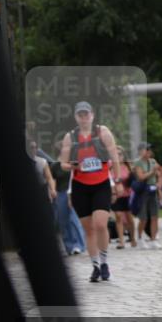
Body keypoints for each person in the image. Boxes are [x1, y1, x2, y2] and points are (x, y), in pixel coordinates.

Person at [58, 101, 123, 282]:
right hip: (80, 186)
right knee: (89, 229)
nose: (84, 117)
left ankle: (104, 262)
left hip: (101, 184)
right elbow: (63, 163)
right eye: (80, 115)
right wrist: (72, 165)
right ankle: (95, 266)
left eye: (86, 114)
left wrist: (117, 181)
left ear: (92, 115)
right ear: (76, 117)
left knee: (101, 224)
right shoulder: (70, 137)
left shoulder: (103, 132)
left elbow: (114, 157)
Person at [50, 140, 86, 255]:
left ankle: (79, 245)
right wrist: (52, 192)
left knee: (74, 219)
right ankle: (69, 246)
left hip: (74, 192)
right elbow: (53, 180)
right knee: (63, 221)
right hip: (60, 194)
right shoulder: (54, 165)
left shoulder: (73, 163)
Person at [133, 142, 161, 249]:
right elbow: (140, 177)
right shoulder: (137, 163)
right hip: (143, 191)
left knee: (154, 216)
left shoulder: (153, 161)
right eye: (146, 149)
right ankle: (140, 238)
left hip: (153, 190)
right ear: (140, 151)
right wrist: (152, 171)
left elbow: (159, 173)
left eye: (149, 150)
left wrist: (158, 180)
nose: (149, 152)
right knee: (143, 218)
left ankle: (153, 239)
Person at [111, 146, 136, 249]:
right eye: (115, 154)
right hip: (116, 195)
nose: (118, 156)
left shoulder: (128, 166)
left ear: (123, 155)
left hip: (128, 195)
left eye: (120, 154)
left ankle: (133, 238)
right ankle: (121, 241)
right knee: (118, 216)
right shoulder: (110, 167)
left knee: (129, 218)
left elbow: (133, 181)